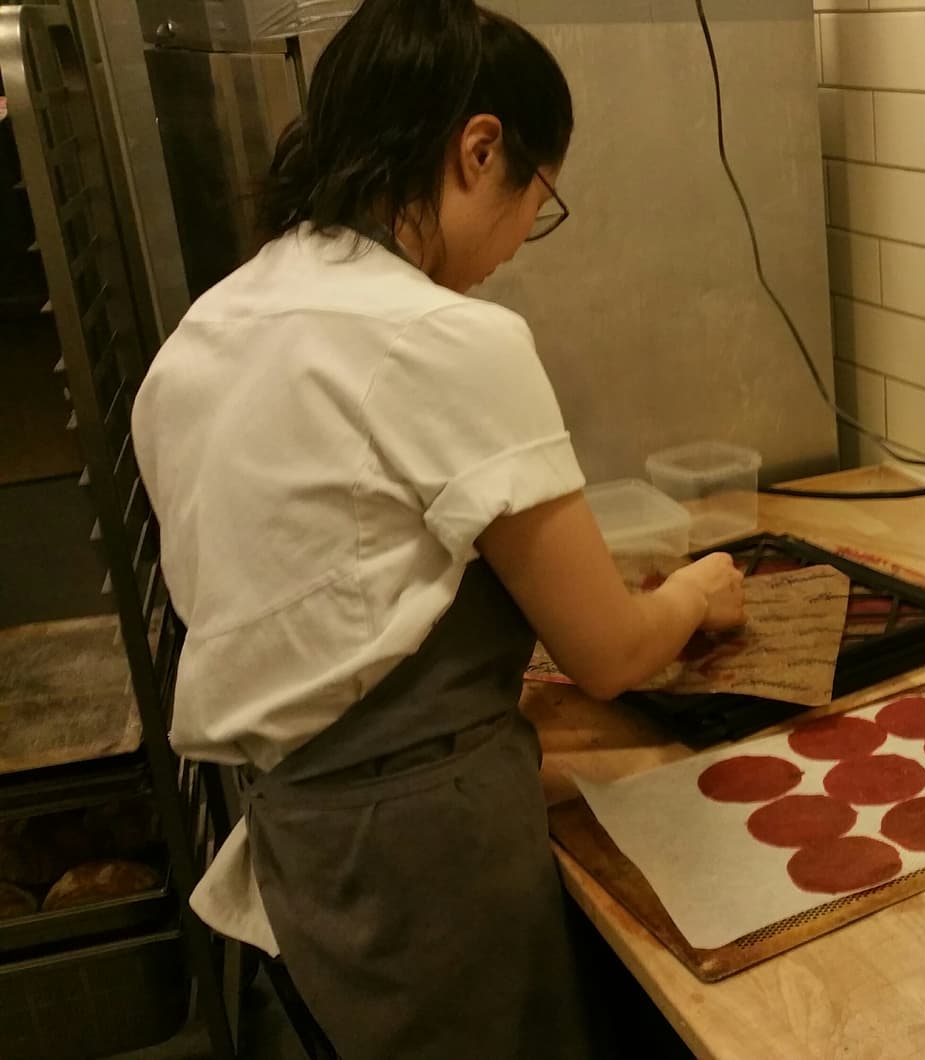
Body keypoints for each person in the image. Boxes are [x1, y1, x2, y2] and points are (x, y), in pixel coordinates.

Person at [129, 0, 744, 1054]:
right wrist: (694, 592)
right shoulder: (445, 336)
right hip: (426, 855)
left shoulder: (206, 330)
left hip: (308, 845)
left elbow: (343, 582)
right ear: (479, 149)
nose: (514, 247)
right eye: (535, 204)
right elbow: (607, 655)